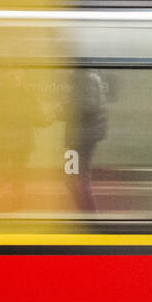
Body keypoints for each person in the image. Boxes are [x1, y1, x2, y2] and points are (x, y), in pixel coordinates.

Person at [64, 68, 109, 213]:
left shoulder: (86, 77)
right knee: (72, 177)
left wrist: (63, 109)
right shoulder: (85, 76)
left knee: (75, 178)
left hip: (81, 139)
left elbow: (89, 106)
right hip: (79, 137)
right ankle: (85, 215)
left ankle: (89, 217)